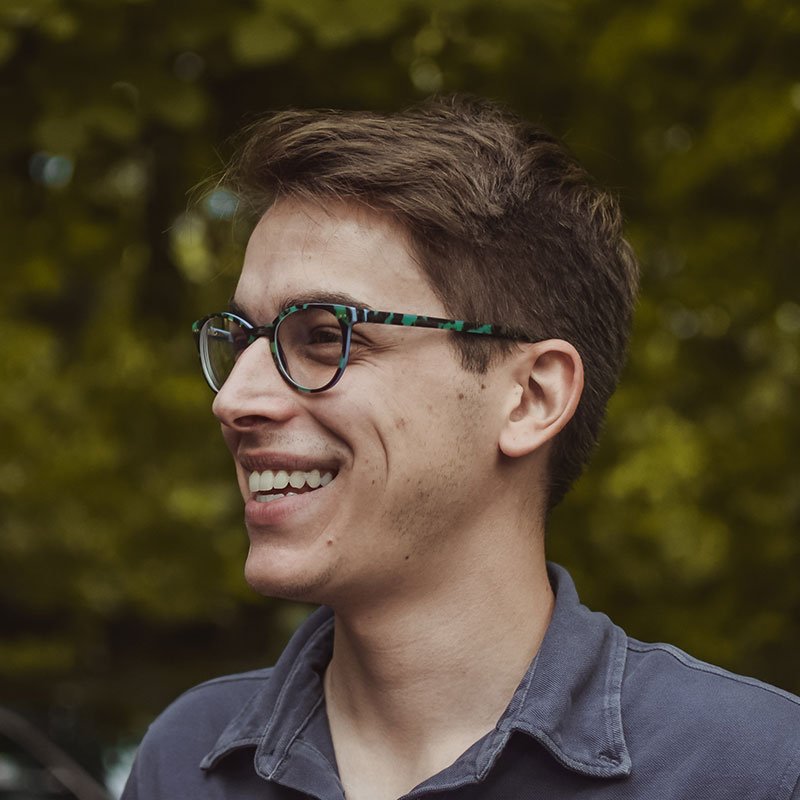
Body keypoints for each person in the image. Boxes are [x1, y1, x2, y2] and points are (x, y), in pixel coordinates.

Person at [122, 95, 800, 800]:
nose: (233, 399)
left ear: (531, 397)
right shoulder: (185, 763)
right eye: (241, 340)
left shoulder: (755, 772)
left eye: (325, 335)